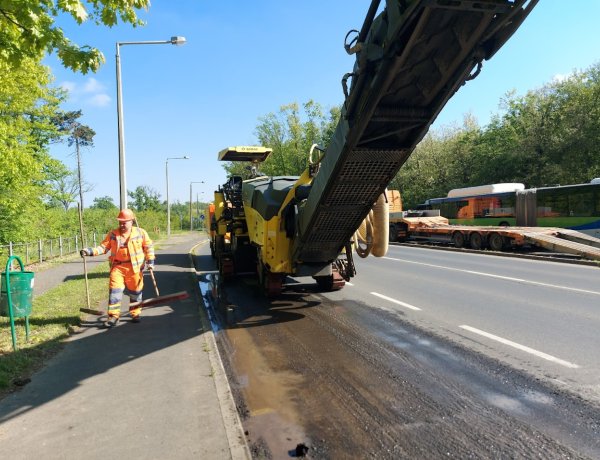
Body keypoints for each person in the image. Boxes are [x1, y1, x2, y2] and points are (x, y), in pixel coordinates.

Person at [80, 209, 155, 327]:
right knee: (115, 291)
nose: (122, 224)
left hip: (134, 268)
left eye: (124, 222)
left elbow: (148, 247)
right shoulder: (113, 234)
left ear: (132, 221)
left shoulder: (141, 233)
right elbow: (103, 248)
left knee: (135, 292)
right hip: (118, 267)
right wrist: (89, 251)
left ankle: (135, 313)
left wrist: (150, 261)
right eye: (120, 222)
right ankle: (113, 316)